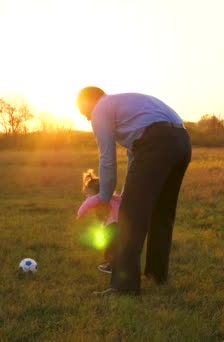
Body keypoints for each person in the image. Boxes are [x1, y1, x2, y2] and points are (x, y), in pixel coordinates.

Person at [76, 86, 192, 296]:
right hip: (182, 141)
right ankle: (157, 275)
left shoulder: (100, 109)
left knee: (129, 217)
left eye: (82, 110)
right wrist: (125, 194)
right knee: (162, 212)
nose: (85, 117)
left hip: (156, 143)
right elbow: (134, 162)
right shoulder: (126, 108)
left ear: (91, 99)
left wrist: (104, 197)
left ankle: (124, 286)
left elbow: (107, 159)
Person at [77, 169, 121, 274]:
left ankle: (112, 266)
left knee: (110, 247)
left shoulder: (100, 197)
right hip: (119, 224)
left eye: (88, 195)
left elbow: (88, 203)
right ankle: (118, 264)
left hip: (114, 225)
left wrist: (80, 213)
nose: (87, 198)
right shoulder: (113, 197)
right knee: (116, 246)